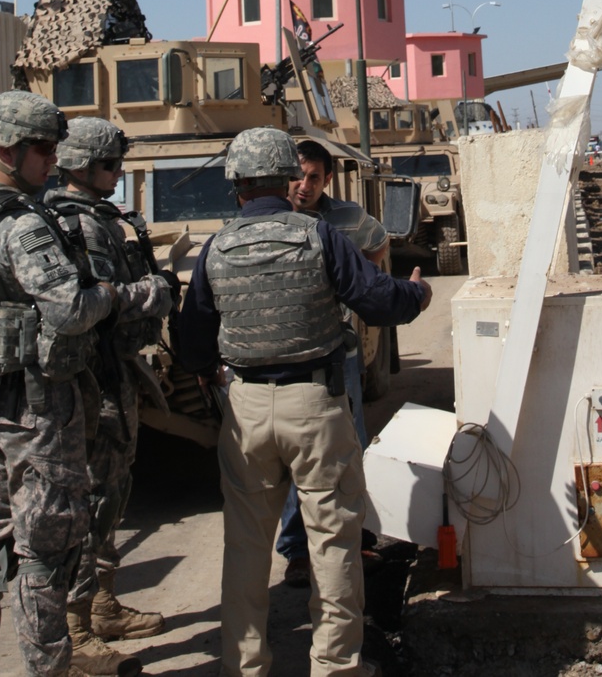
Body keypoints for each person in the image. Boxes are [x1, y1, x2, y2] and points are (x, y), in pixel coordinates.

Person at [179, 126, 431, 677]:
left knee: (245, 548)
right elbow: (377, 298)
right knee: (334, 540)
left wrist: (212, 374)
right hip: (315, 404)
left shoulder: (217, 246)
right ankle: (336, 666)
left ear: (236, 183)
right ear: (288, 177)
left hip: (245, 408)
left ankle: (245, 666)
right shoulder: (320, 237)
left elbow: (192, 339)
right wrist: (419, 292)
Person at [0, 91, 118, 677]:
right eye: (43, 148)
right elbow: (69, 310)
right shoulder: (21, 225)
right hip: (35, 411)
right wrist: (113, 295)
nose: (52, 160)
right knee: (45, 555)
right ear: (9, 149)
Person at [45, 118, 175, 676]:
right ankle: (77, 629)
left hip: (111, 373)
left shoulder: (94, 218)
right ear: (81, 168)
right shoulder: (81, 226)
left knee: (111, 492)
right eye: (110, 166)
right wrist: (155, 293)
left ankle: (102, 605)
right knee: (93, 499)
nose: (118, 175)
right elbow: (100, 303)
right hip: (94, 379)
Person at [276, 138, 389, 588]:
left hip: (339, 351)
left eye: (314, 178)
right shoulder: (271, 216)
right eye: (297, 175)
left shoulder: (346, 218)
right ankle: (297, 549)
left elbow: (378, 243)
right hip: (288, 353)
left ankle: (352, 536)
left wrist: (357, 281)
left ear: (326, 180)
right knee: (296, 456)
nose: (304, 186)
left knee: (350, 445)